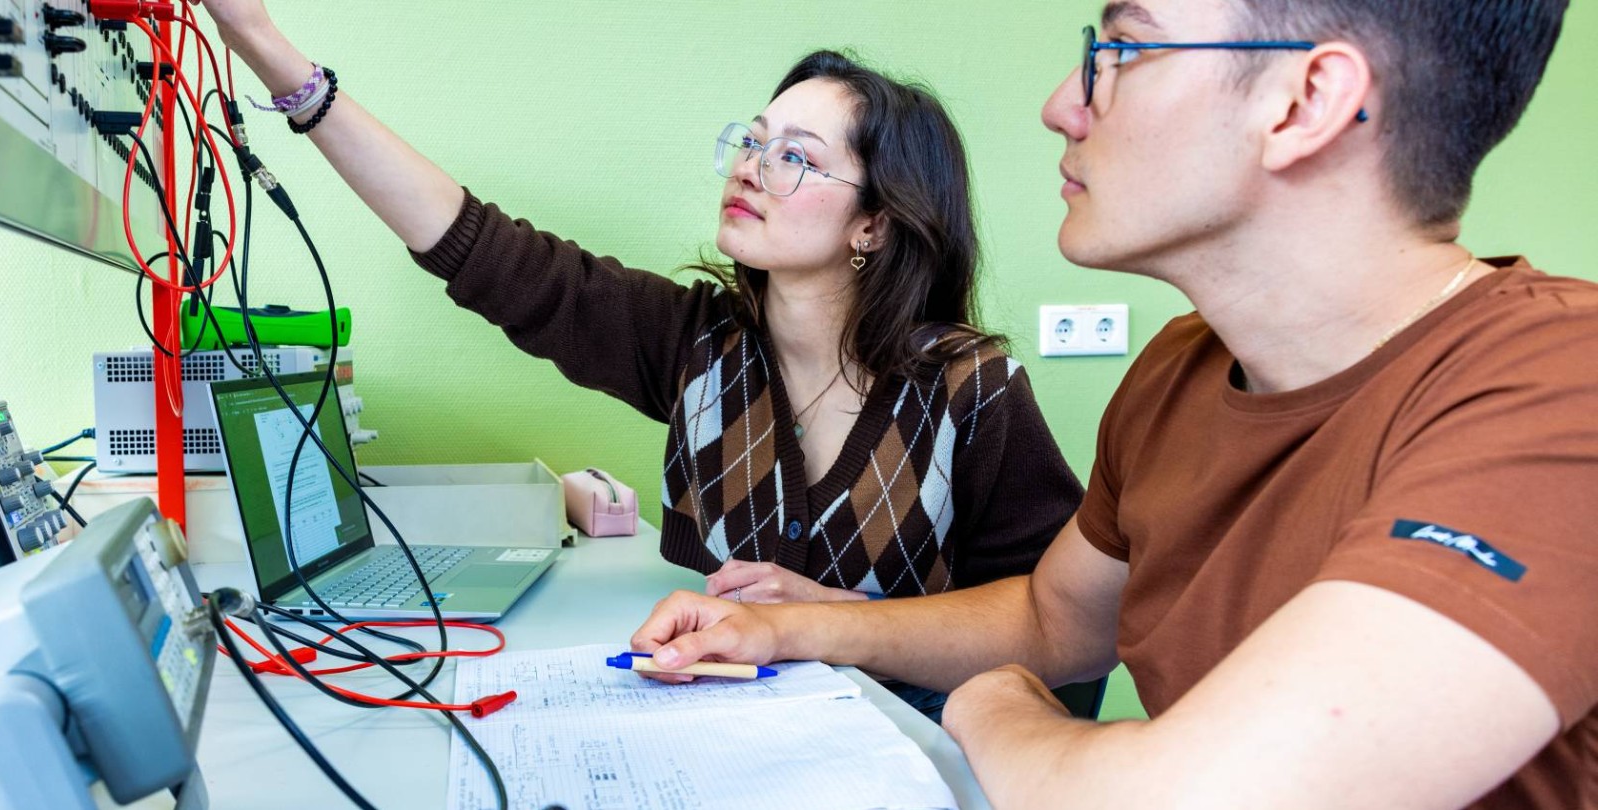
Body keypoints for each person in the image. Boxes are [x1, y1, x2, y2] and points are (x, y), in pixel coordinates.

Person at [629, 1, 1596, 807]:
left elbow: (1186, 795)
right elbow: (1054, 620)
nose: (1063, 106)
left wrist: (993, 705)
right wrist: (797, 624)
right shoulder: (1178, 370)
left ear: (1306, 101)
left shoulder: (1564, 384)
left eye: (1120, 50)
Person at [193, 1, 1085, 716]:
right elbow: (476, 248)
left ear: (875, 224)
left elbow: (1069, 640)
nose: (748, 167)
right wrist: (275, 56)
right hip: (730, 741)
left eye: (794, 159)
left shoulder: (972, 392)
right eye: (752, 141)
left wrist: (839, 625)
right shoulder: (703, 349)